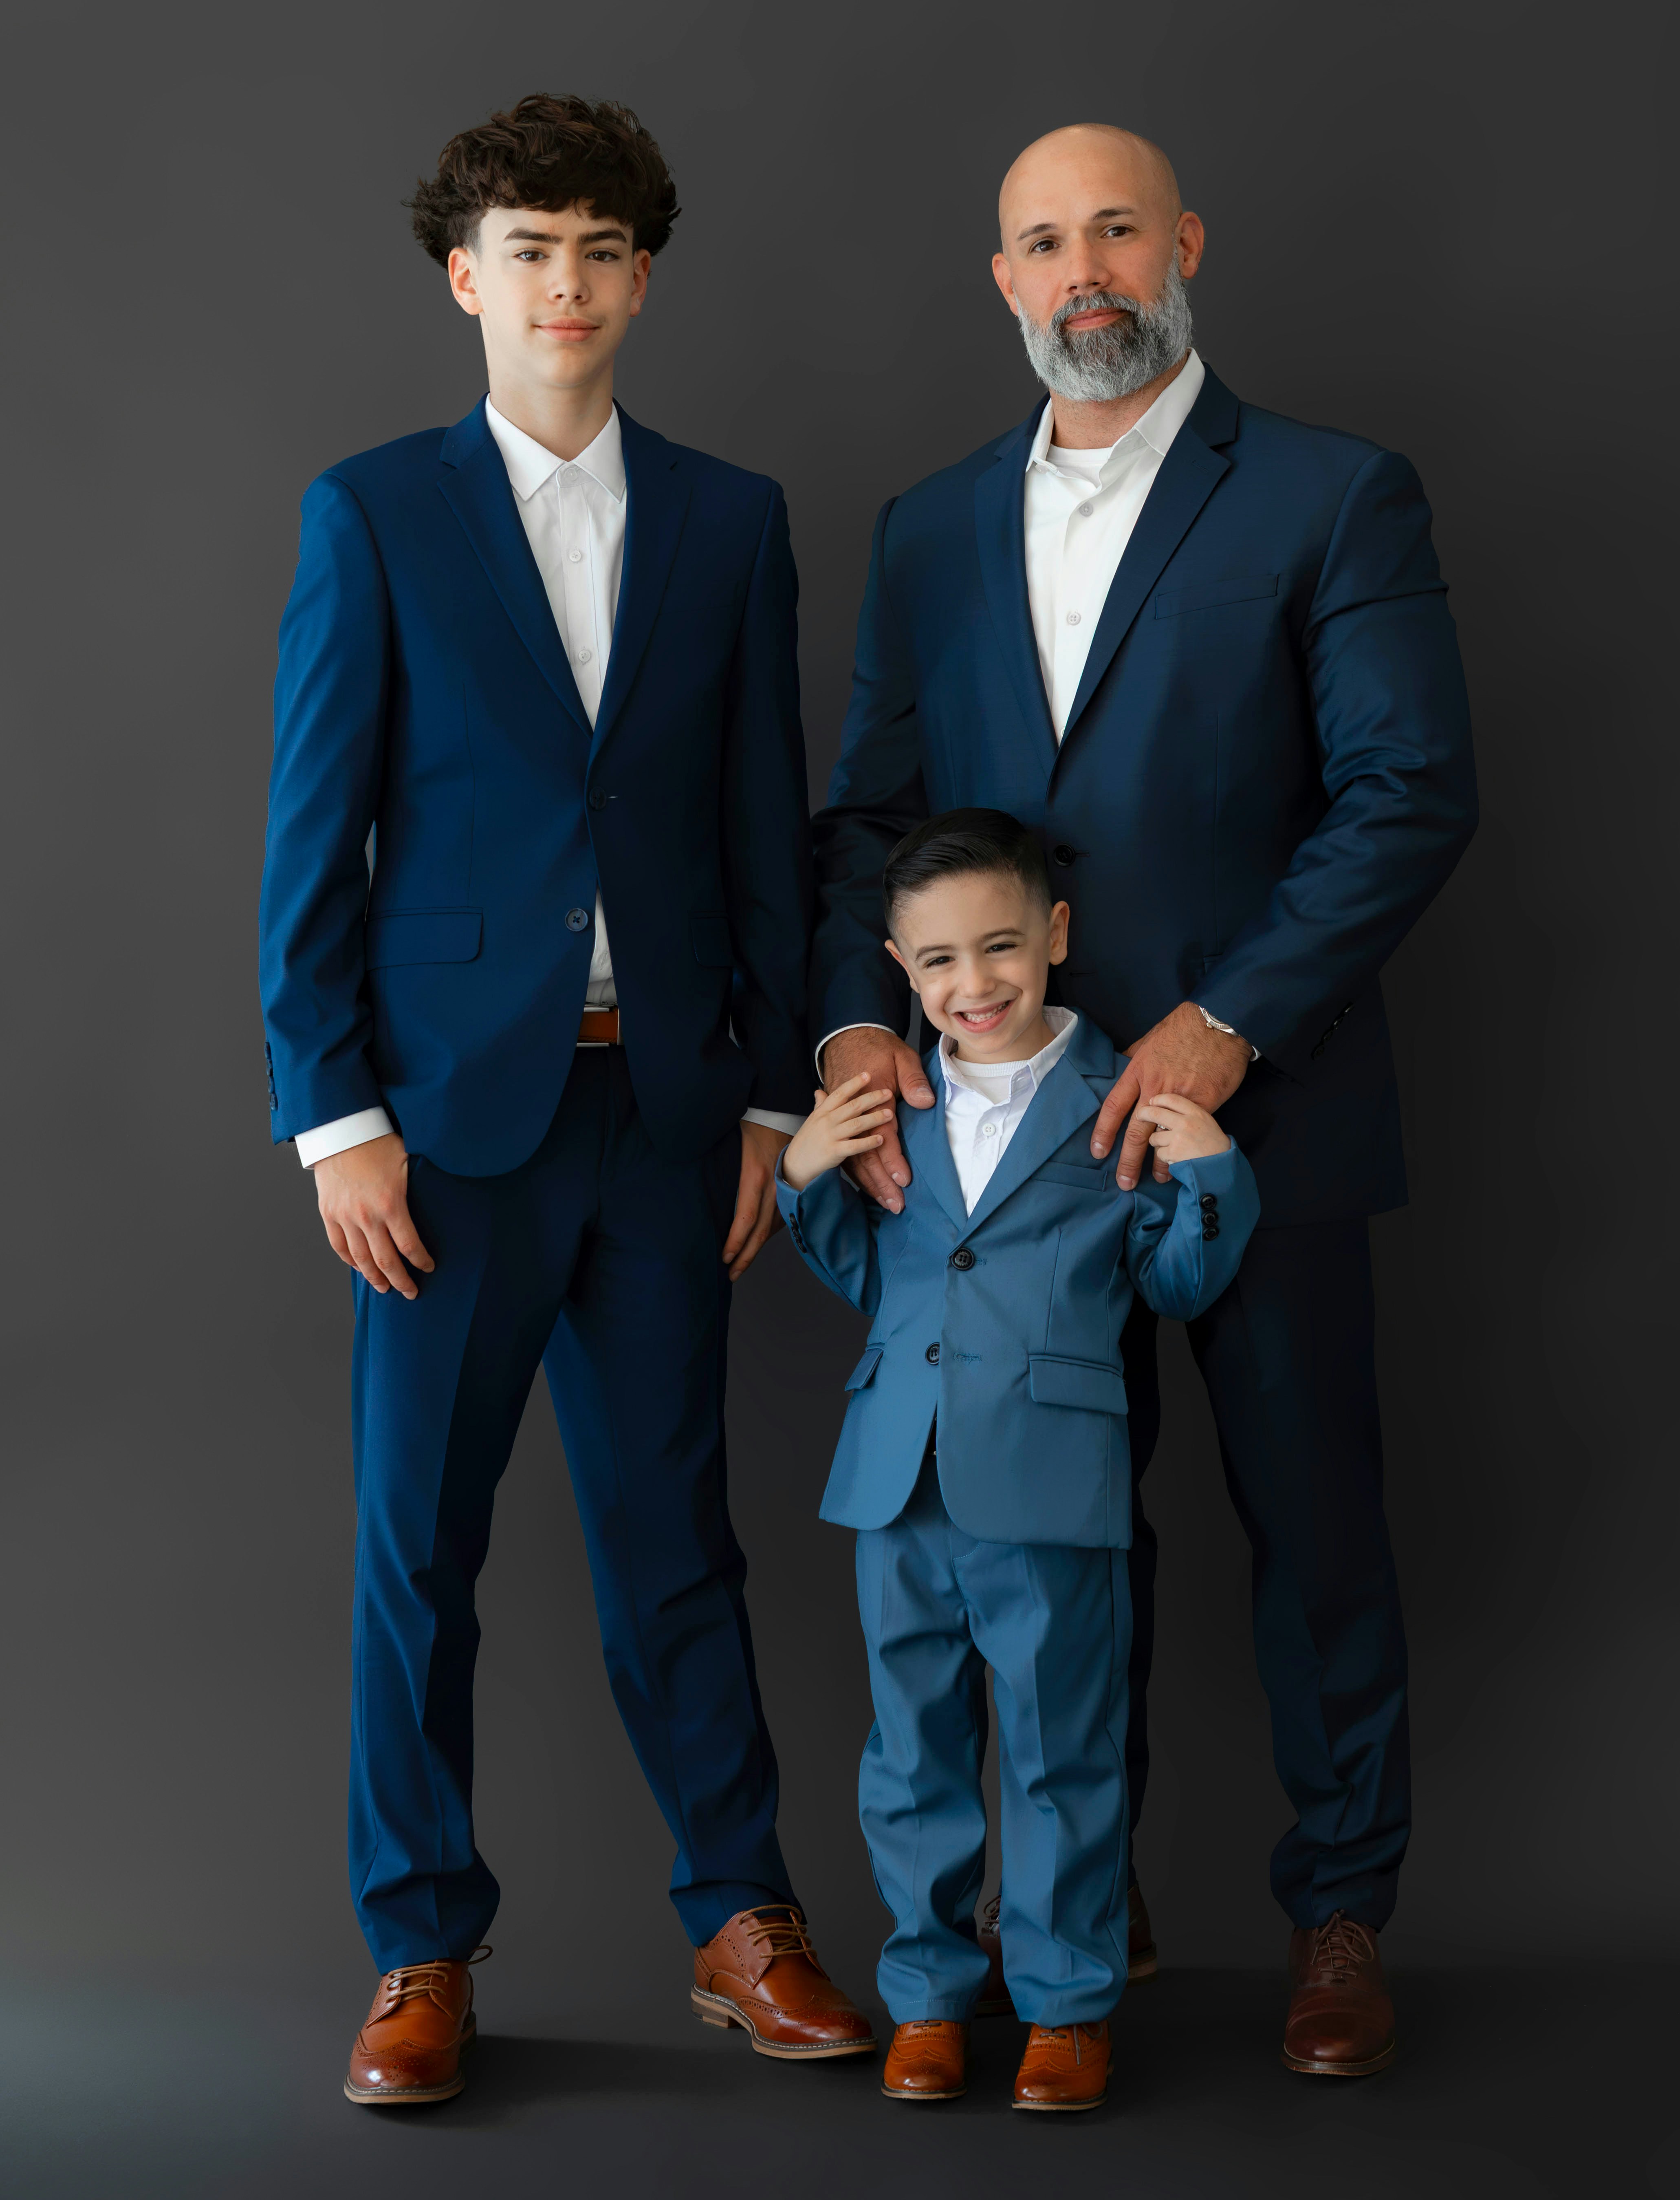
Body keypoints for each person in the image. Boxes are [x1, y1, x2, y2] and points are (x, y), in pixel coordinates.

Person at [809, 123, 1477, 2076]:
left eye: (1115, 228)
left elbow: (1409, 790)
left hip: (1255, 1118)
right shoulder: (930, 526)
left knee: (1313, 1534)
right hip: (994, 1159)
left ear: (1184, 244)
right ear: (1003, 280)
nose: (1082, 269)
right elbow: (866, 821)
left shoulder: (1335, 493)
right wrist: (855, 1043)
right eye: (1043, 241)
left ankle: (1340, 1913)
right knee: (1051, 1553)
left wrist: (1226, 1024)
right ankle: (1080, 1921)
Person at [258, 93, 872, 2106]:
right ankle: (420, 1944)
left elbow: (763, 828)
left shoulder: (730, 519)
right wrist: (336, 1117)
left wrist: (769, 1102)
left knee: (676, 1536)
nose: (568, 285)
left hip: (668, 1118)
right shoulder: (374, 514)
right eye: (530, 250)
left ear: (643, 279)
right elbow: (313, 840)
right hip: (445, 1132)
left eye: (603, 250)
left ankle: (741, 1916)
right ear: (468, 277)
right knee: (417, 1553)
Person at [778, 810, 1259, 2111]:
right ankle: (928, 1998)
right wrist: (805, 1181)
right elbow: (875, 1277)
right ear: (899, 966)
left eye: (999, 947)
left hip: (1050, 1479)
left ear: (1055, 934)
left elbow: (1173, 1282)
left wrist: (1216, 1180)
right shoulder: (892, 1101)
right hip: (900, 1480)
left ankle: (1066, 2007)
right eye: (937, 961)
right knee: (912, 1755)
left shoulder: (1118, 1095)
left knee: (1061, 1754)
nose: (973, 984)